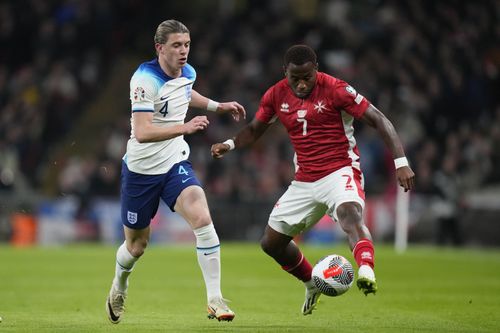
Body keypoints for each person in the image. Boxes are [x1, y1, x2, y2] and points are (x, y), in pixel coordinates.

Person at [211, 45, 415, 315]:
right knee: (271, 243)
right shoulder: (275, 94)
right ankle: (311, 282)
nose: (302, 83)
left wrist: (401, 162)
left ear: (316, 69)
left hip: (340, 170)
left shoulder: (337, 89)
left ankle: (366, 268)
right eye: (295, 78)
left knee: (349, 214)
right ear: (286, 72)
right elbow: (254, 130)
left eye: (307, 76)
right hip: (304, 180)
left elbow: (379, 119)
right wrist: (229, 144)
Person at [106, 19, 245, 324]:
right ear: (160, 48)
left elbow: (185, 94)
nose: (184, 51)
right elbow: (142, 132)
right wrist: (187, 126)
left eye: (187, 45)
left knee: (202, 216)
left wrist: (218, 106)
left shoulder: (188, 72)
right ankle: (119, 285)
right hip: (141, 171)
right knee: (137, 246)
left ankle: (215, 299)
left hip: (173, 164)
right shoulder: (144, 80)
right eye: (176, 46)